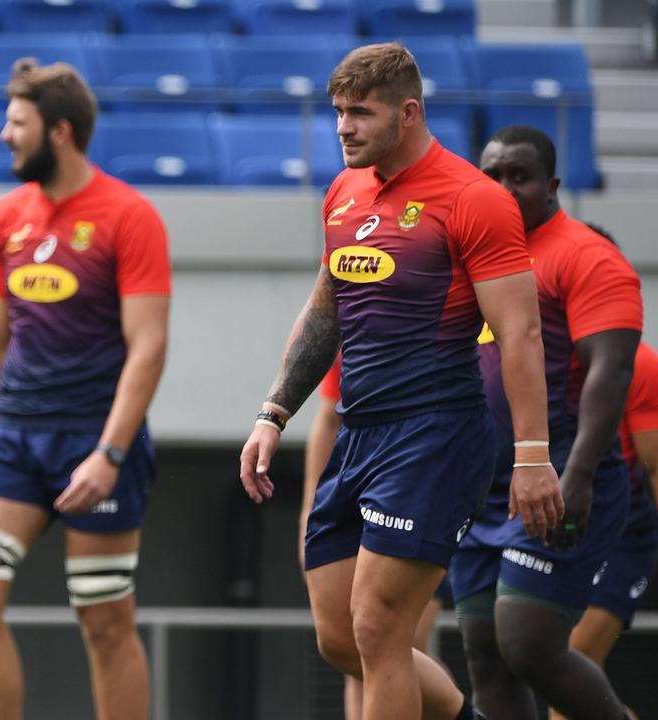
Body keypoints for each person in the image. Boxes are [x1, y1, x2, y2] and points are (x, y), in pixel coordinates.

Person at [240, 43, 563, 720]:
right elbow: (326, 309)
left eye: (361, 112)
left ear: (409, 113)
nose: (343, 127)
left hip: (436, 437)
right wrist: (274, 412)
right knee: (340, 639)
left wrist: (533, 457)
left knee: (378, 629)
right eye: (338, 112)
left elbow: (521, 336)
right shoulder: (344, 191)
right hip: (358, 434)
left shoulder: (474, 199)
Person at [0, 58, 170, 720]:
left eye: (17, 123)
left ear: (60, 131)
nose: (5, 136)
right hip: (11, 436)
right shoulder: (8, 214)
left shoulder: (131, 216)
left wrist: (111, 453)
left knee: (103, 620)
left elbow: (149, 345)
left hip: (94, 438)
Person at [450, 125, 641, 720]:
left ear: (553, 185)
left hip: (558, 479)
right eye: (491, 176)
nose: (504, 189)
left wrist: (577, 475)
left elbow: (610, 374)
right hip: (481, 487)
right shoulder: (470, 256)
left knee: (528, 642)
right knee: (484, 654)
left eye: (520, 176)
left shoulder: (586, 255)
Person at [300, 358, 452, 720]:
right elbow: (327, 418)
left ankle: (459, 712)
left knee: (390, 639)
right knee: (358, 645)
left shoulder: (450, 320)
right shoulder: (361, 318)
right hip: (364, 494)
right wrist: (310, 509)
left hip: (429, 483)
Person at [552, 338, 658, 720]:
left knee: (566, 664)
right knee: (553, 675)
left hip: (622, 541)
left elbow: (655, 466)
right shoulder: (534, 351)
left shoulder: (639, 364)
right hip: (558, 534)